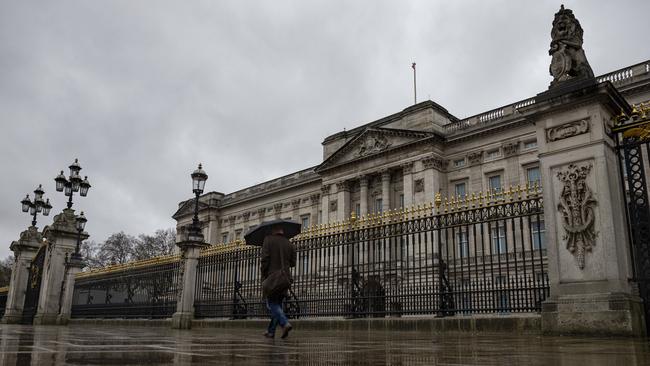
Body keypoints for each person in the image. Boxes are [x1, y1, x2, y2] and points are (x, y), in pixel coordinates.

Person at [260, 225, 296, 339]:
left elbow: (265, 259)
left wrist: (264, 274)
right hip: (285, 278)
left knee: (272, 304)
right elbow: (293, 263)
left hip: (272, 277)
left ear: (273, 230)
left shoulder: (268, 240)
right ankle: (271, 331)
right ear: (282, 230)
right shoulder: (289, 243)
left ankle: (284, 323)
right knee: (278, 304)